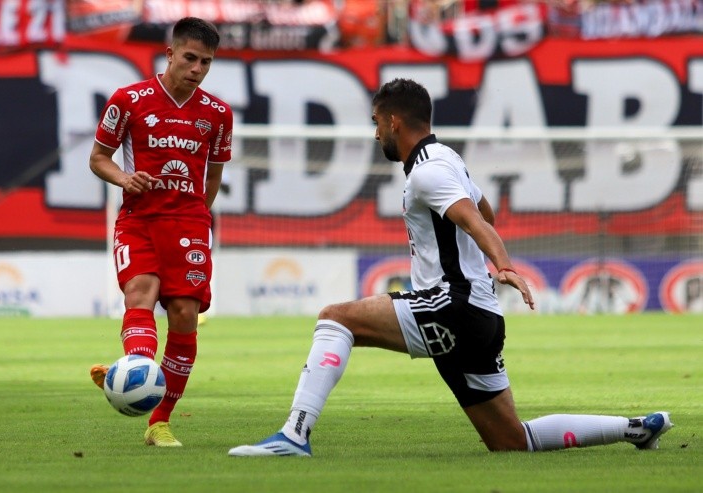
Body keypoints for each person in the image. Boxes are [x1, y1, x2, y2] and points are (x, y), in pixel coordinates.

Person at [228, 78, 671, 457]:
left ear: (394, 122)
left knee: (335, 319)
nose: (375, 133)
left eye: (376, 123)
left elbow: (475, 220)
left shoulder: (428, 172)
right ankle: (634, 428)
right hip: (481, 316)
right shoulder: (448, 158)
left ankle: (294, 434)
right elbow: (485, 211)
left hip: (451, 305)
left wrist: (503, 265)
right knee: (511, 442)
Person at [88, 17, 233, 447]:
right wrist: (124, 178)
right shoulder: (129, 100)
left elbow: (213, 177)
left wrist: (195, 215)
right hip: (140, 220)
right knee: (140, 293)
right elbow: (99, 158)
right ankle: (134, 373)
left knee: (185, 313)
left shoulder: (217, 114)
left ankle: (159, 421)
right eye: (190, 58)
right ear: (170, 54)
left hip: (188, 223)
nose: (197, 69)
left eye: (206, 62)